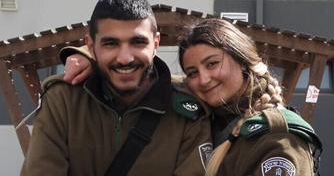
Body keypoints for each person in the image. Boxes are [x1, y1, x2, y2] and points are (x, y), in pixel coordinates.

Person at [63, 18, 322, 176]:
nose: (204, 80)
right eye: (192, 73)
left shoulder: (278, 136)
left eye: (212, 64)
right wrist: (94, 59)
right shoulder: (205, 110)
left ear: (242, 60)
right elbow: (151, 83)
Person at [20, 0, 212, 176]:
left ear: (156, 44)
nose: (125, 58)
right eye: (111, 44)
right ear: (90, 46)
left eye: (138, 42)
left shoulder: (187, 111)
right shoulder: (63, 101)